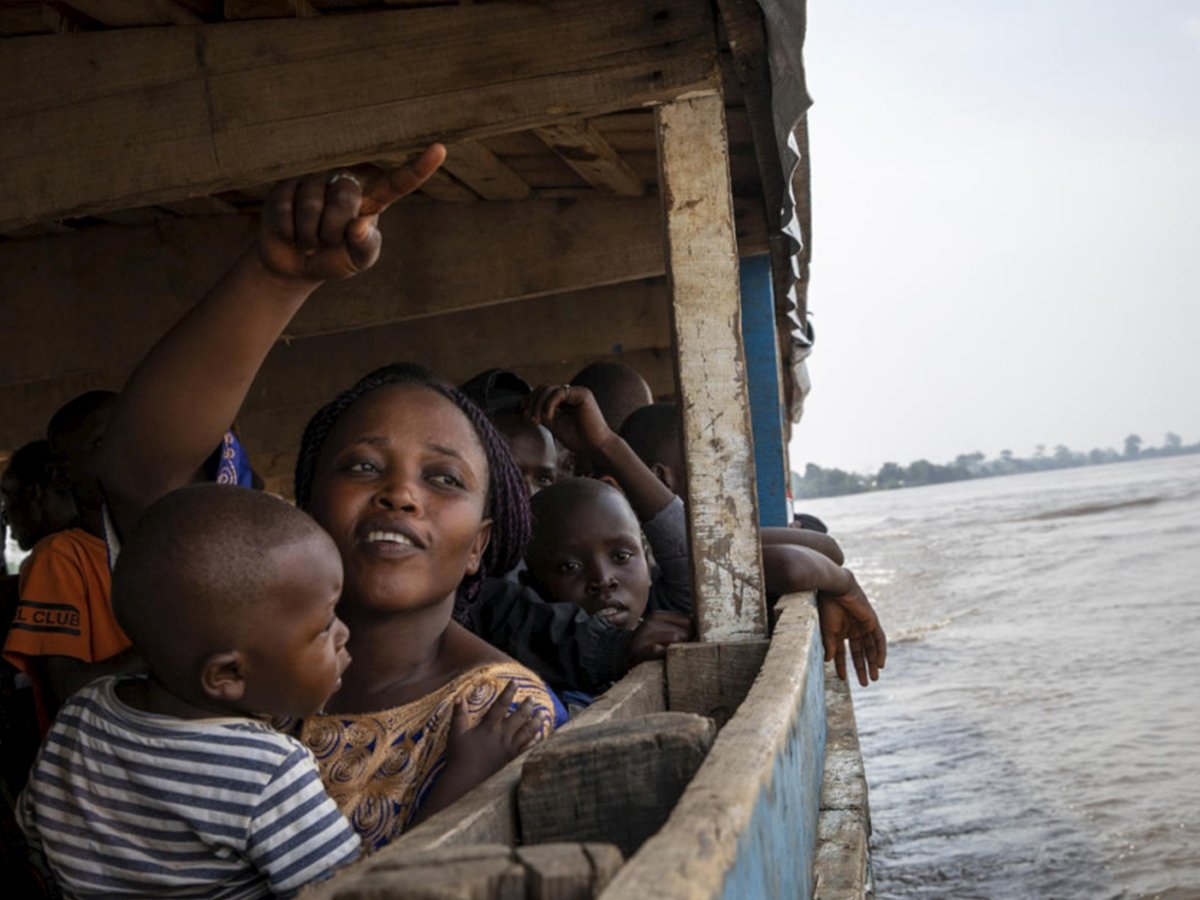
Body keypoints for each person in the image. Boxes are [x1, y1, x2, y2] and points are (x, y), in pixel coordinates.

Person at [96, 149, 562, 849]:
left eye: (443, 479)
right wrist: (273, 278)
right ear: (305, 508)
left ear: (481, 545)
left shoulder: (497, 712)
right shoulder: (226, 644)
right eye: (362, 465)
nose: (400, 493)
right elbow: (139, 475)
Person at [18, 485, 363, 898]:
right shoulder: (268, 772)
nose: (344, 633)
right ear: (227, 675)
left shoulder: (83, 711)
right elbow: (348, 891)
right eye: (324, 626)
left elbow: (36, 835)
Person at [619, 402, 887, 686]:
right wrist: (846, 586)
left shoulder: (697, 539)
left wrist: (835, 586)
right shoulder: (653, 554)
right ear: (662, 478)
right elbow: (791, 566)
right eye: (707, 464)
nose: (720, 478)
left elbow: (828, 548)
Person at [2, 392, 139, 733]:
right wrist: (175, 644)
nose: (129, 448)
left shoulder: (159, 542)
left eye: (136, 433)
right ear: (61, 475)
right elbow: (67, 691)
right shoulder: (60, 556)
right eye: (101, 442)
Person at [0, 440, 78, 553]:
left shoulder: (54, 556)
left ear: (32, 492)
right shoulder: (100, 548)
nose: (6, 520)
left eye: (8, 499)